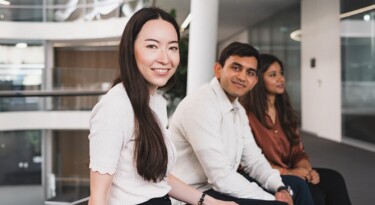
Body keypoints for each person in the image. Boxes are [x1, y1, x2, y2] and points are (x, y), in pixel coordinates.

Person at [88, 7, 237, 205]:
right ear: (130, 50)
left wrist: (210, 202)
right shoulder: (114, 107)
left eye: (172, 48)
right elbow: (98, 197)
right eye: (152, 46)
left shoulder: (155, 102)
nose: (165, 59)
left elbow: (158, 179)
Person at [169, 42, 300, 205]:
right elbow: (221, 177)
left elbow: (254, 160)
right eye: (236, 68)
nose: (242, 77)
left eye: (250, 72)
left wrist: (279, 188)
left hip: (217, 187)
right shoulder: (201, 105)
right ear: (218, 70)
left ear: (254, 81)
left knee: (297, 187)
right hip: (194, 194)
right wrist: (273, 199)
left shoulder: (238, 110)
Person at [241, 53, 352, 205]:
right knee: (316, 195)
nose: (281, 79)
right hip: (267, 176)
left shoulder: (285, 112)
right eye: (273, 75)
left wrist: (307, 170)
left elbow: (298, 152)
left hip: (292, 171)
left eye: (281, 73)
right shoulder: (246, 116)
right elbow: (249, 161)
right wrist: (289, 172)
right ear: (259, 80)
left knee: (334, 178)